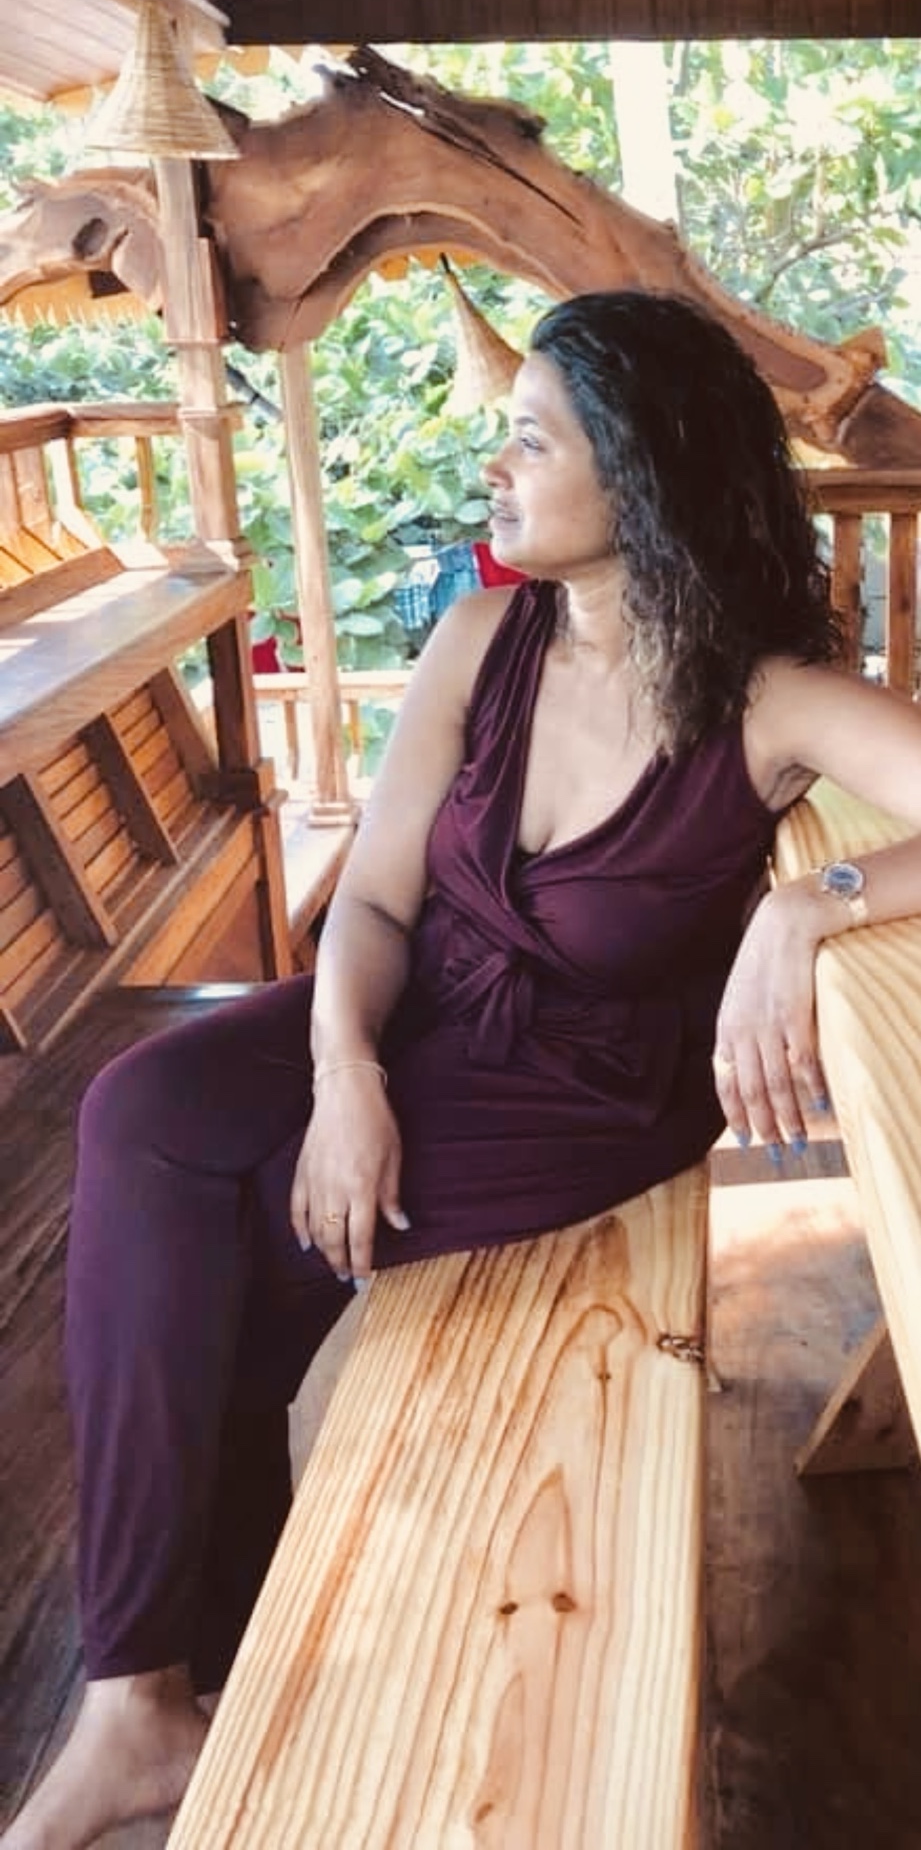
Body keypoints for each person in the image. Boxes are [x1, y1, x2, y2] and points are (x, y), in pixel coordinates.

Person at [6, 290, 921, 1849]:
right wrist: (345, 1073)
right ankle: (150, 1697)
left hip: (585, 1091)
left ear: (642, 471)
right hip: (421, 1009)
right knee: (140, 1111)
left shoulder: (767, 702)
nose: (489, 469)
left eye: (529, 440)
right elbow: (373, 900)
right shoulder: (481, 639)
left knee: (232, 1250)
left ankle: (153, 1696)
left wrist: (805, 903)